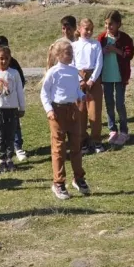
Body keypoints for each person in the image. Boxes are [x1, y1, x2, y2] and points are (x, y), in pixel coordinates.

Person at [40, 39, 90, 200]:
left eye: (72, 53)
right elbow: (44, 93)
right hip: (57, 112)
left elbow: (75, 91)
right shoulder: (54, 72)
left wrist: (83, 96)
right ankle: (59, 183)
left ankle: (79, 178)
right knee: (59, 148)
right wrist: (49, 110)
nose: (71, 56)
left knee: (76, 145)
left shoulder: (73, 71)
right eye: (68, 53)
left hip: (72, 111)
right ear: (59, 55)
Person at [0, 35, 27, 162]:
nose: (3, 61)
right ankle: (2, 156)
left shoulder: (14, 66)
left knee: (14, 129)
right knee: (1, 132)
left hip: (12, 105)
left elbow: (20, 85)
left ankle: (17, 148)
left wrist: (20, 105)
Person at [97, 10, 134, 146]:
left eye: (111, 24)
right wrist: (102, 51)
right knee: (109, 104)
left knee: (119, 104)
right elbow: (95, 56)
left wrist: (116, 50)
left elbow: (129, 55)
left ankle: (124, 131)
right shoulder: (101, 38)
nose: (108, 27)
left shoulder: (125, 38)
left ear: (118, 24)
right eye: (106, 24)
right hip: (106, 77)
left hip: (120, 77)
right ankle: (112, 130)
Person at [73, 18, 105, 154]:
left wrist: (92, 80)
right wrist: (80, 79)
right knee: (80, 112)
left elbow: (99, 63)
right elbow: (72, 64)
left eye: (91, 29)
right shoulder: (74, 46)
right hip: (78, 78)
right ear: (79, 29)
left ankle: (96, 140)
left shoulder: (95, 44)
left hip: (94, 79)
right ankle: (83, 142)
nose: (89, 32)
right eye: (86, 29)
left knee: (94, 112)